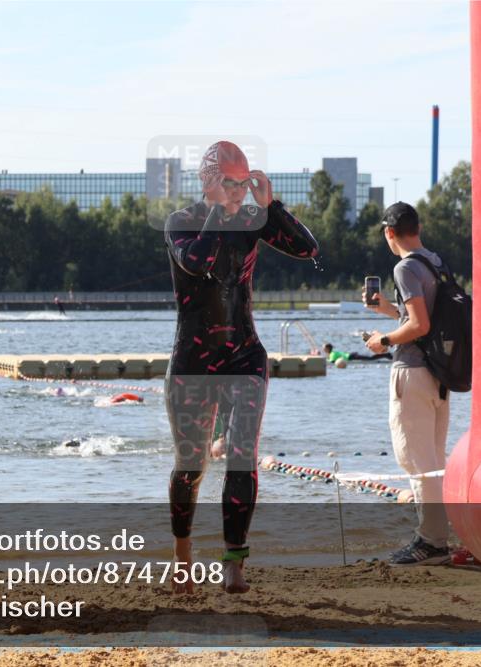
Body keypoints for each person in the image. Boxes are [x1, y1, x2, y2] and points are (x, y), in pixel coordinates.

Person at [165, 140, 319, 594]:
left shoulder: (253, 221)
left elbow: (307, 248)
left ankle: (235, 560)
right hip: (193, 360)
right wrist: (222, 211)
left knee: (242, 452)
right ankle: (182, 556)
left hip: (244, 352)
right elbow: (202, 261)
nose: (237, 193)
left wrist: (270, 207)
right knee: (189, 466)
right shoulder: (181, 224)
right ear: (208, 182)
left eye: (242, 183)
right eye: (228, 184)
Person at [363, 202, 451, 566]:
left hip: (411, 372)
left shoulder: (404, 267)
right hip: (438, 374)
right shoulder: (434, 261)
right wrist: (386, 308)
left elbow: (419, 326)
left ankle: (431, 542)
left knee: (416, 461)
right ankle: (438, 536)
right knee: (432, 458)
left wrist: (383, 341)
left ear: (389, 233)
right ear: (418, 227)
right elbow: (425, 316)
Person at [323, 342, 392, 368]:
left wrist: (323, 361)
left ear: (328, 349)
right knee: (370, 357)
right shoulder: (332, 353)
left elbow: (331, 362)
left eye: (324, 348)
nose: (323, 349)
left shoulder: (332, 354)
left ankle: (386, 355)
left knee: (370, 358)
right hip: (352, 355)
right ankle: (385, 355)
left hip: (352, 356)